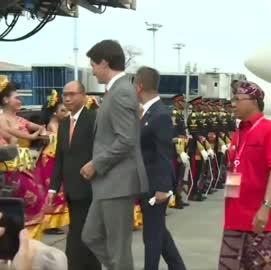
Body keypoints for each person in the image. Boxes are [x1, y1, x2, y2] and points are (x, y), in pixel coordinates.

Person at [80, 39, 148, 270]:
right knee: (91, 236)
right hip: (108, 184)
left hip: (117, 182)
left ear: (104, 63)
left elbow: (126, 140)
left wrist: (96, 164)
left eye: (93, 64)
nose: (92, 70)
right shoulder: (116, 91)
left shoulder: (122, 92)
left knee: (118, 249)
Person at [218, 80, 271, 270]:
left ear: (253, 101)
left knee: (263, 266)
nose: (233, 104)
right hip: (233, 220)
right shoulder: (237, 133)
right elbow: (234, 168)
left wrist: (265, 207)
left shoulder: (269, 130)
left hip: (258, 220)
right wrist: (230, 209)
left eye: (238, 99)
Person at [134, 66, 186, 270]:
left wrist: (163, 188)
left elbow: (164, 154)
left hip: (156, 186)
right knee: (159, 234)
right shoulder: (148, 113)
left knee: (152, 239)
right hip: (148, 183)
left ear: (138, 87)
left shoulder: (160, 114)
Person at [48, 81, 101, 270]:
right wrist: (53, 188)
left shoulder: (94, 119)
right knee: (81, 234)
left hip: (90, 189)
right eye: (65, 95)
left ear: (84, 95)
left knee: (81, 236)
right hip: (71, 190)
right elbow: (60, 158)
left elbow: (101, 153)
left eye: (72, 94)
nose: (67, 98)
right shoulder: (63, 124)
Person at [0, 76, 48, 240]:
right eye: (17, 98)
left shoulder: (20, 119)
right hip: (11, 171)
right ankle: (21, 242)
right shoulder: (2, 120)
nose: (20, 101)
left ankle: (28, 243)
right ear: (5, 99)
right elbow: (9, 144)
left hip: (27, 167)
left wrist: (41, 132)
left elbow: (42, 129)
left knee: (37, 200)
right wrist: (28, 137)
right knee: (26, 204)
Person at [36, 89, 70, 236]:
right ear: (55, 113)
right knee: (52, 189)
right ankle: (49, 223)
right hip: (49, 160)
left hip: (53, 159)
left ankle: (53, 223)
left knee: (58, 190)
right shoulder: (51, 127)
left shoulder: (61, 126)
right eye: (63, 110)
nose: (66, 113)